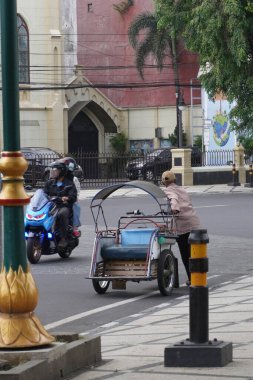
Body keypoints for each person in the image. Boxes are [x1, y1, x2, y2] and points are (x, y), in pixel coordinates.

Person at [161, 170, 201, 283]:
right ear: (175, 180)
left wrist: (174, 208)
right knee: (195, 254)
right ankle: (198, 277)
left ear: (163, 182)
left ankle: (193, 279)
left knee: (186, 255)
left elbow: (174, 199)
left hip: (183, 227)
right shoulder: (182, 189)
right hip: (195, 224)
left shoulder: (168, 190)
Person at [43, 160, 77, 249]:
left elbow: (73, 196)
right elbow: (43, 193)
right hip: (50, 206)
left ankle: (63, 238)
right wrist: (34, 196)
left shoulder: (69, 184)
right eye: (52, 170)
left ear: (61, 172)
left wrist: (67, 198)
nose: (53, 172)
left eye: (55, 170)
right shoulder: (49, 183)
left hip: (63, 206)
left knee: (62, 214)